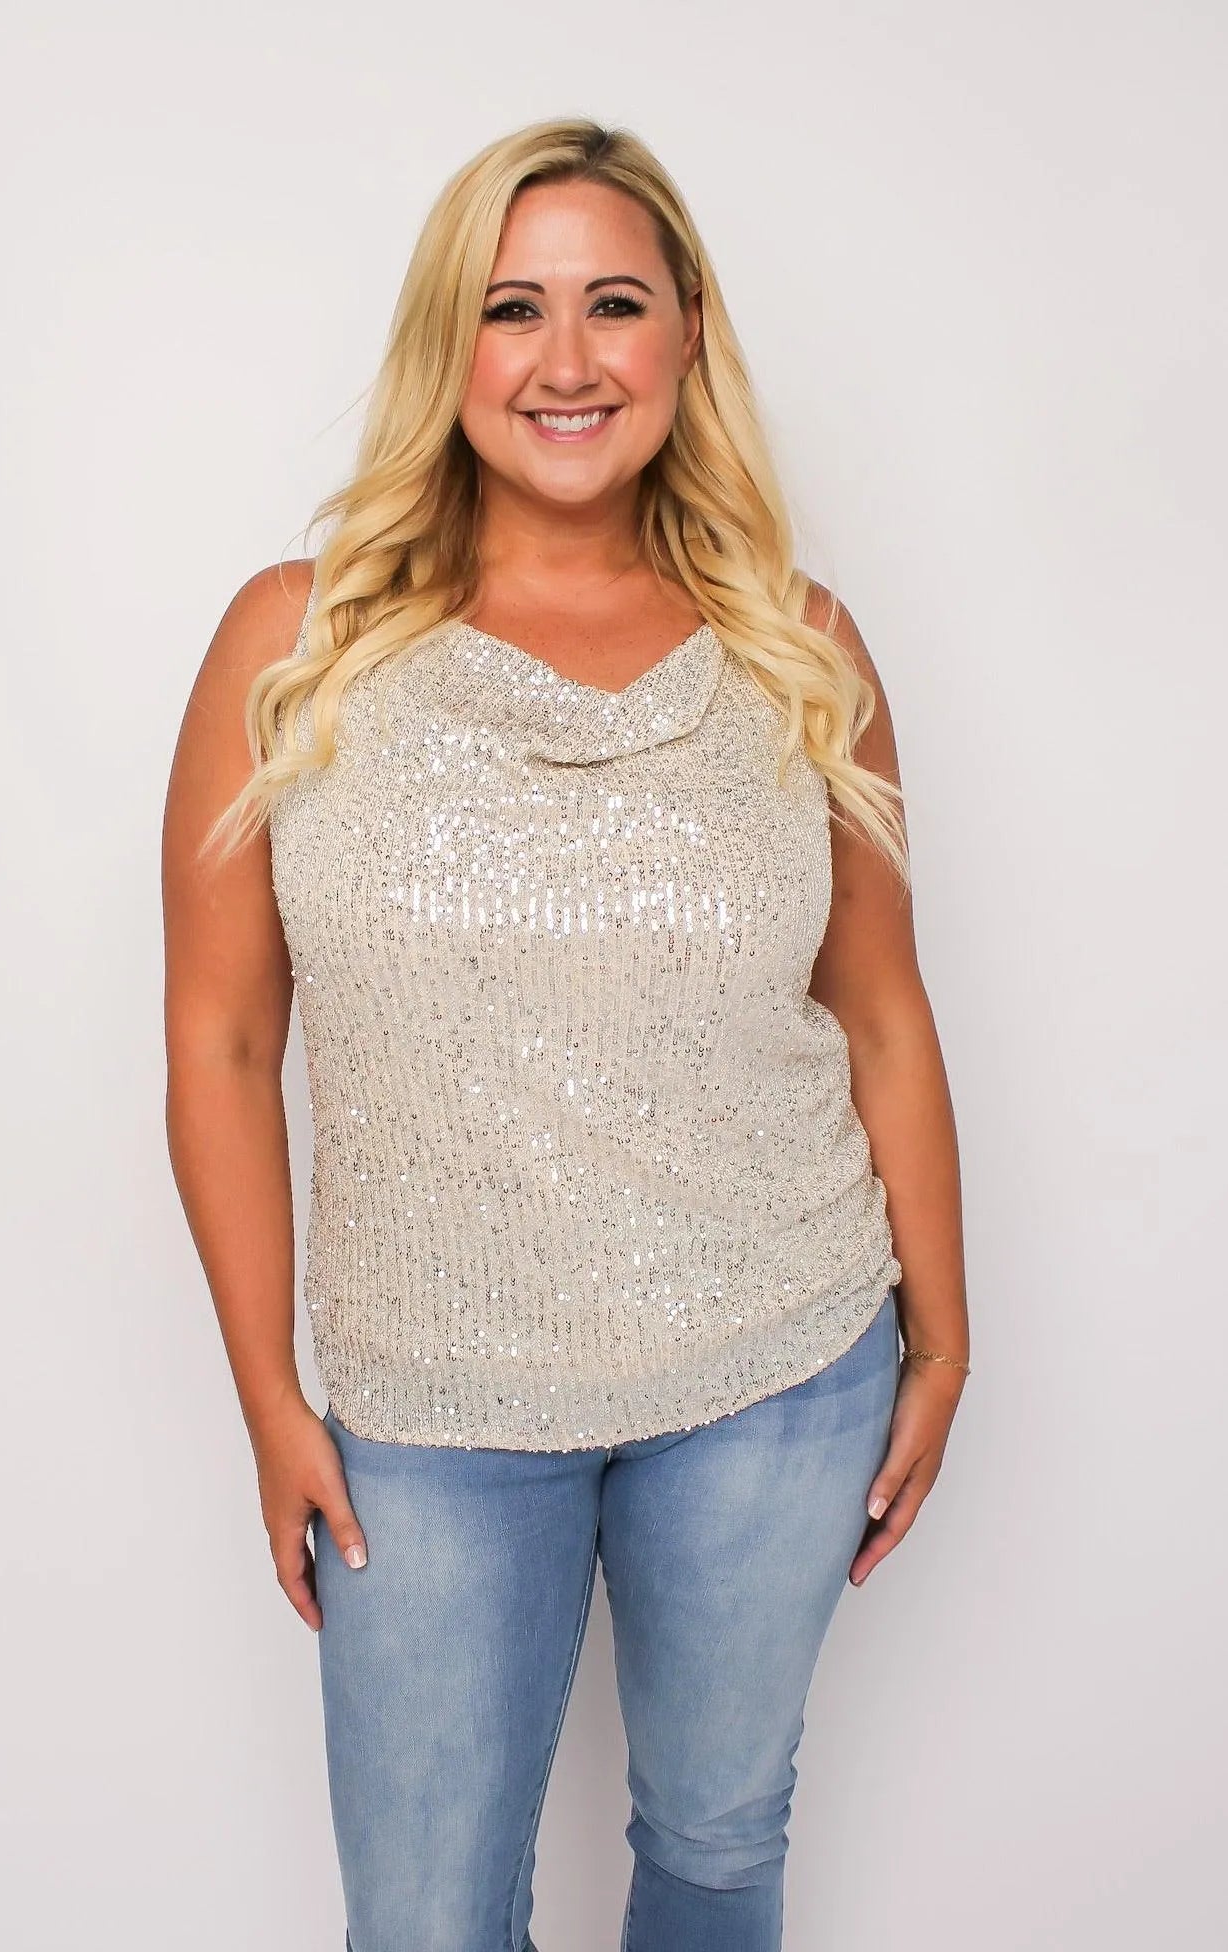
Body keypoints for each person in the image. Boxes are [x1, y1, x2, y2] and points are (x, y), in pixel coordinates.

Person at [162, 116, 969, 1952]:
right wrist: (269, 1396)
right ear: (446, 344)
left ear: (686, 334)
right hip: (427, 1401)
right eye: (510, 307)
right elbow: (216, 1042)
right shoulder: (297, 646)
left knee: (713, 1841)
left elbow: (879, 1007)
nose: (565, 358)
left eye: (613, 303)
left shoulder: (797, 647)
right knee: (426, 1918)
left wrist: (942, 1331)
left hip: (776, 1363)